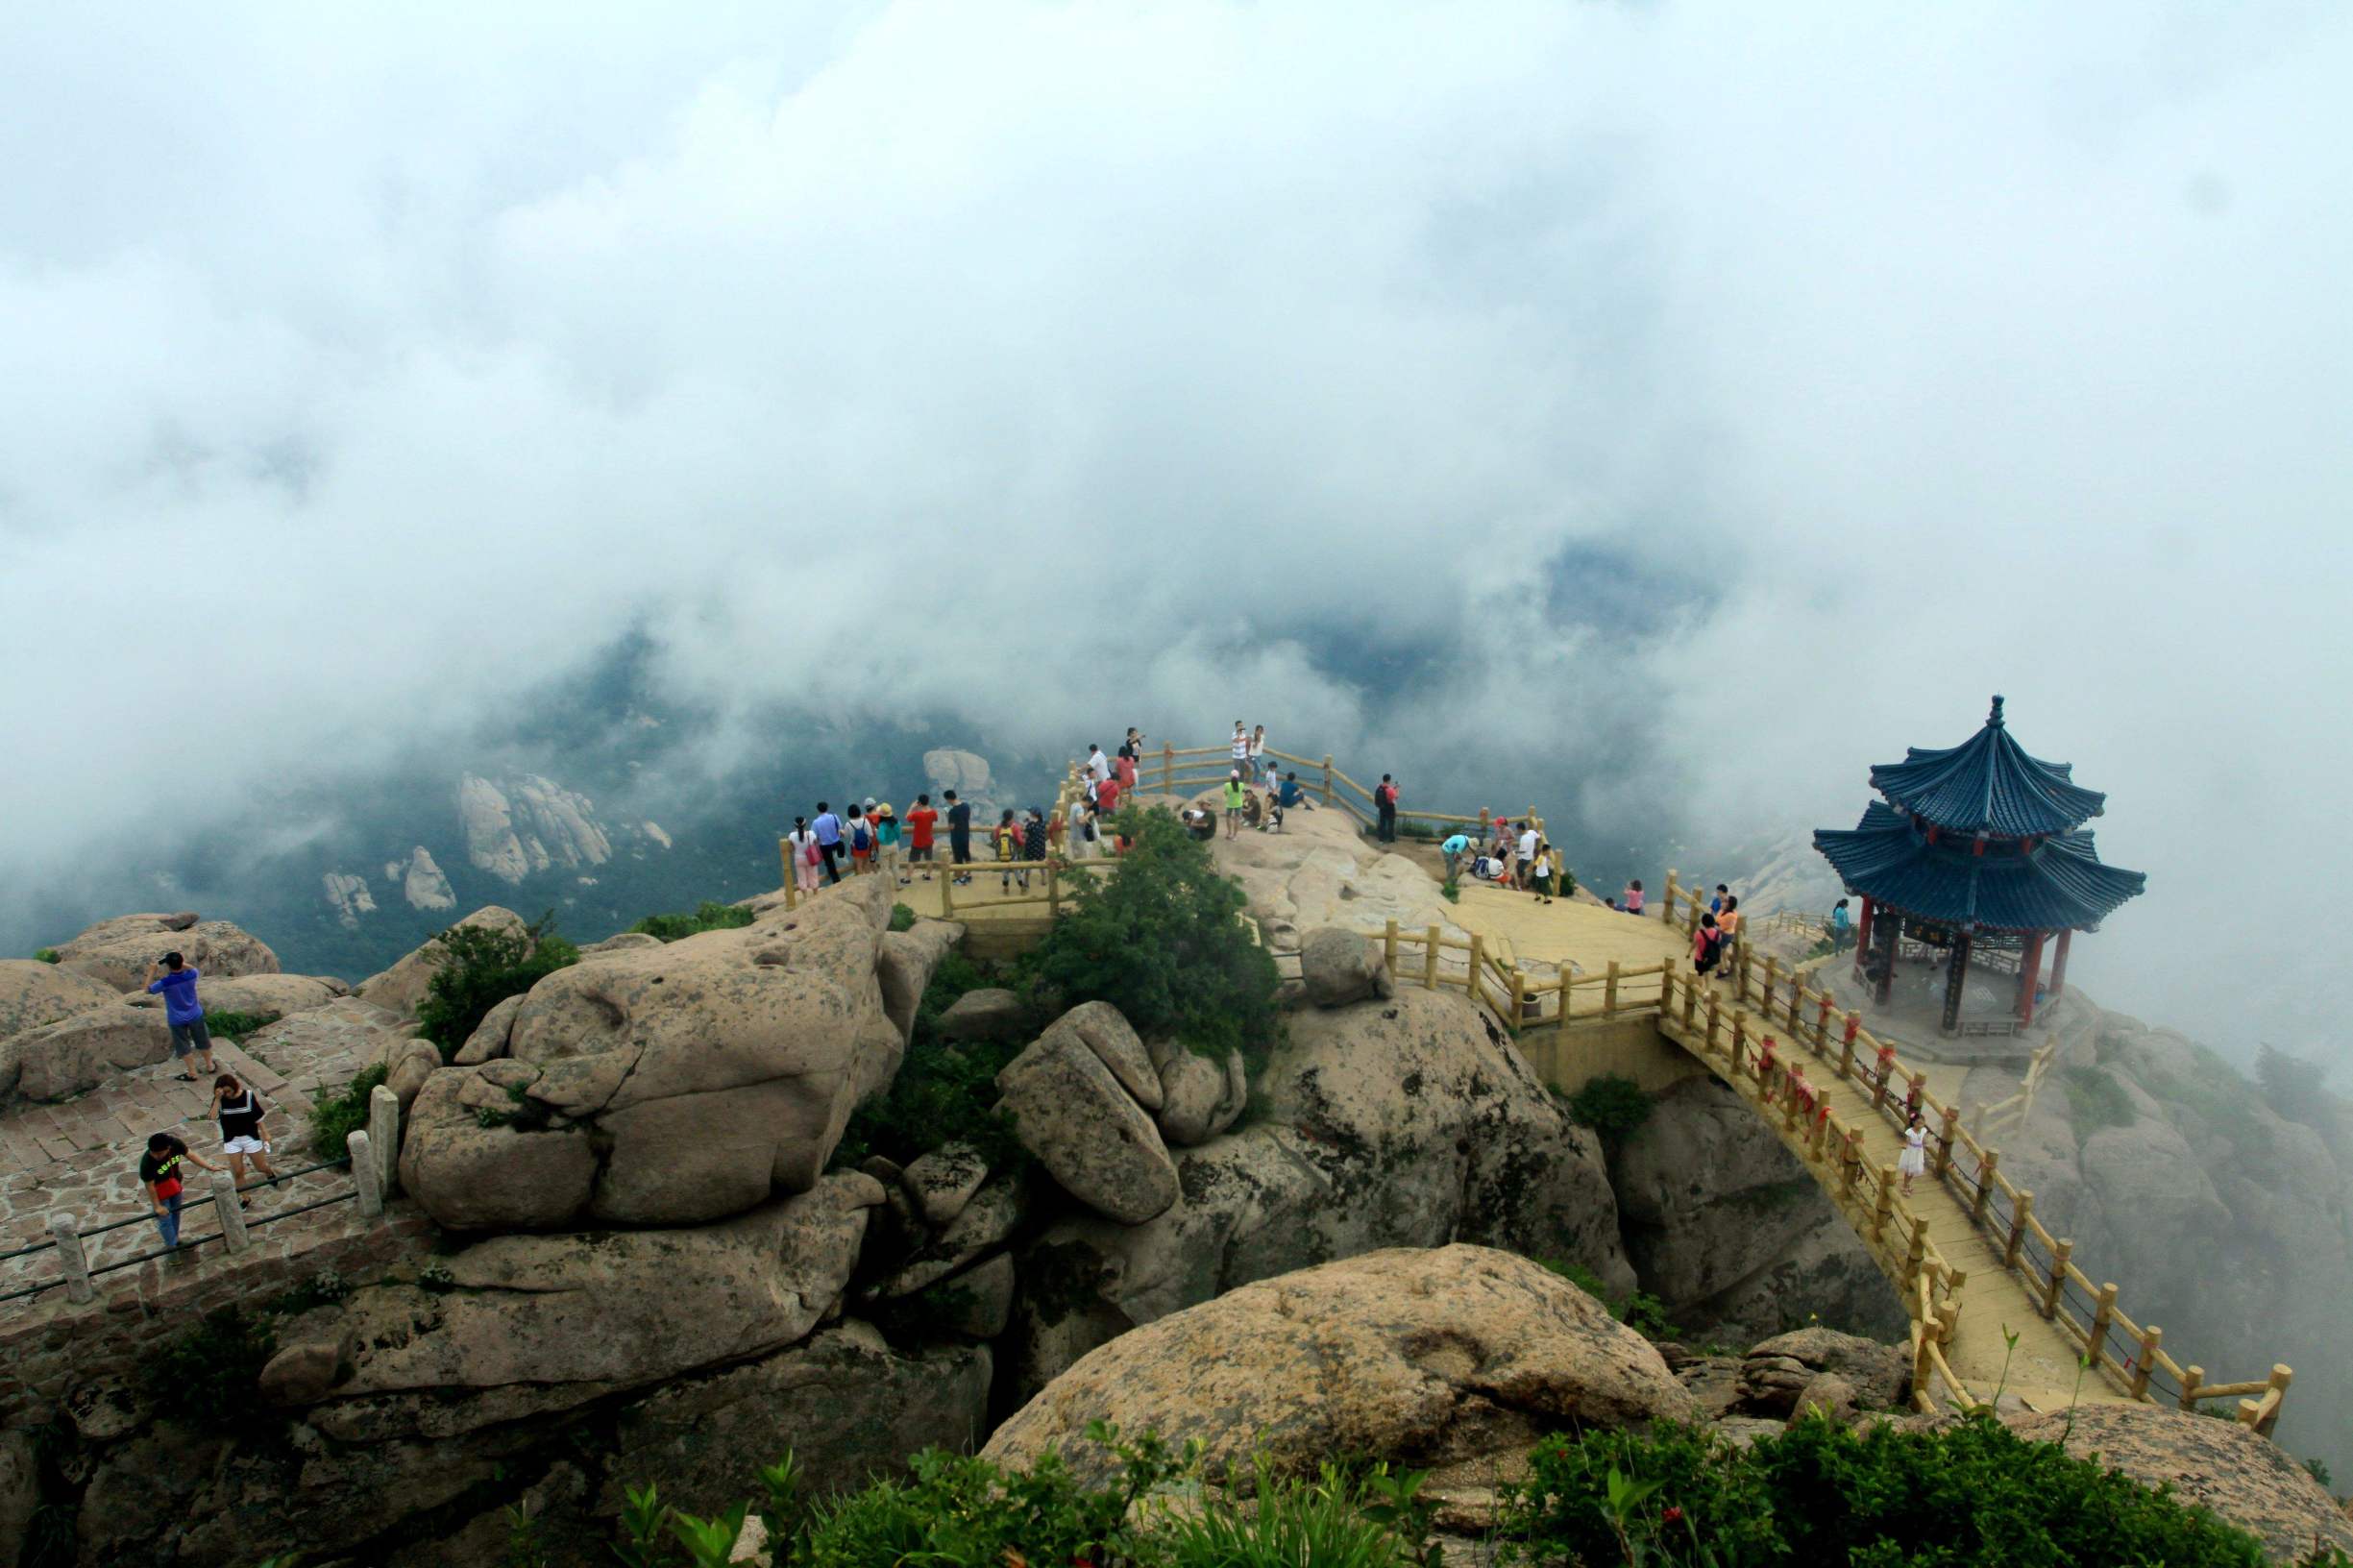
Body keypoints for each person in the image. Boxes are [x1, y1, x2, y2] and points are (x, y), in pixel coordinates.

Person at [138, 1131, 222, 1250]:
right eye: (153, 1153)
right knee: (165, 1219)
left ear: (168, 1148)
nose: (156, 1156)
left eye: (159, 1153)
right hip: (159, 1191)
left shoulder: (176, 1144)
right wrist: (157, 1206)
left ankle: (175, 1240)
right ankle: (172, 1249)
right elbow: (150, 1186)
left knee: (175, 1213)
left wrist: (210, 1167)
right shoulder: (147, 1162)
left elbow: (191, 1155)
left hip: (174, 1184)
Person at [145, 952, 217, 1082]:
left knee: (183, 1046)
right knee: (203, 1040)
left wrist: (152, 971)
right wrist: (179, 961)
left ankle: (192, 1072)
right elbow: (191, 968)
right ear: (181, 963)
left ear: (168, 966)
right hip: (195, 1014)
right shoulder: (192, 975)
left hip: (177, 1019)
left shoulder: (166, 982)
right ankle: (210, 1065)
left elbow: (147, 990)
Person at [211, 1072, 281, 1196]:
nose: (227, 1094)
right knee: (238, 1171)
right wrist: (217, 1099)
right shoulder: (220, 1099)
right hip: (232, 1140)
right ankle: (245, 1197)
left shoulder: (248, 1096)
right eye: (224, 1092)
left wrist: (265, 1133)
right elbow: (212, 1117)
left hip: (250, 1137)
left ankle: (269, 1173)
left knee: (261, 1167)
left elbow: (257, 1116)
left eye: (228, 1091)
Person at [811, 802, 847, 884]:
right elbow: (840, 828)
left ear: (818, 810)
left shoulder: (815, 822)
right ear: (827, 808)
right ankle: (840, 853)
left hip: (825, 846)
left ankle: (836, 881)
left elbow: (814, 836)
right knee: (841, 844)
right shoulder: (834, 817)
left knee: (830, 864)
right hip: (836, 842)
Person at [905, 795, 940, 881]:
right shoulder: (933, 812)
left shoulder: (917, 814)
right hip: (928, 840)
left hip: (917, 841)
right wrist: (927, 806)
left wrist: (912, 807)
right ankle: (928, 876)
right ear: (928, 802)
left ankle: (907, 879)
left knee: (912, 861)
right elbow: (935, 818)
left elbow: (907, 817)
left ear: (919, 803)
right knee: (929, 859)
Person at [787, 816, 821, 895]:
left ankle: (805, 897)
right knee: (813, 876)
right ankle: (815, 894)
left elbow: (791, 848)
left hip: (798, 858)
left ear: (795, 825)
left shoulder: (791, 835)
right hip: (810, 858)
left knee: (801, 878)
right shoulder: (811, 833)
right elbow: (816, 844)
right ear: (805, 824)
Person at [944, 791, 973, 884]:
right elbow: (967, 818)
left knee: (958, 857)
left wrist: (948, 817)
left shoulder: (952, 811)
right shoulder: (966, 806)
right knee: (967, 855)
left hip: (956, 837)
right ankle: (969, 874)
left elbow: (951, 827)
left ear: (948, 799)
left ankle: (960, 879)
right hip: (965, 834)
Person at [1899, 1109, 1928, 1195]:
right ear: (1913, 1123)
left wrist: (1925, 1144)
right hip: (1911, 1152)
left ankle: (1907, 1184)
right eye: (1918, 1123)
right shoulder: (1910, 1132)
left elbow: (1923, 1139)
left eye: (1922, 1123)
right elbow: (1907, 1141)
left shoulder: (1923, 1130)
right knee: (1909, 1170)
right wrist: (1904, 1145)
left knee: (1914, 1170)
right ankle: (1904, 1185)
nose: (1920, 1125)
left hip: (1918, 1152)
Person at [993, 809, 1023, 893]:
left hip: (1002, 854)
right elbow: (1020, 841)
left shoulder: (999, 827)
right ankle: (1021, 887)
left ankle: (1006, 888)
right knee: (1016, 870)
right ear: (1012, 817)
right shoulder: (1015, 827)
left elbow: (995, 838)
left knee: (1005, 871)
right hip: (1013, 854)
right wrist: (1022, 843)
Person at [874, 803, 904, 885]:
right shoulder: (896, 822)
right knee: (895, 866)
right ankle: (899, 885)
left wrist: (877, 832)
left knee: (884, 868)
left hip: (885, 847)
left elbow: (881, 839)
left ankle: (885, 888)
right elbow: (898, 835)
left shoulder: (882, 825)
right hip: (894, 845)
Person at [1692, 911, 1725, 977]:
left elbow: (1694, 944)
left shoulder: (1699, 933)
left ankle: (1699, 986)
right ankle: (1707, 986)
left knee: (1699, 975)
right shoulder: (1718, 934)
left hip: (1700, 957)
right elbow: (1718, 942)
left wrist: (1688, 953)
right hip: (1710, 957)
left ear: (1703, 922)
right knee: (1706, 972)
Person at [846, 804, 875, 875]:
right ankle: (868, 879)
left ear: (849, 813)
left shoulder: (848, 824)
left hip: (855, 847)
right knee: (866, 864)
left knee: (859, 866)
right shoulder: (865, 821)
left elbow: (846, 835)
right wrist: (873, 846)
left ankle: (861, 880)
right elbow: (871, 834)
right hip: (866, 846)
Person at [1718, 895, 1744, 975]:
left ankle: (1723, 971)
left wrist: (1721, 910)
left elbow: (1718, 920)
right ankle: (1726, 966)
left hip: (1725, 935)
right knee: (1724, 951)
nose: (1723, 902)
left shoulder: (1729, 915)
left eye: (1726, 901)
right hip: (1730, 934)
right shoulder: (1734, 912)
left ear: (1729, 904)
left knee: (1717, 952)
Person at [1223, 769, 1248, 839]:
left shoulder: (1227, 785)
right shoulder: (1241, 785)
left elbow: (1226, 794)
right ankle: (1235, 836)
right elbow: (1242, 791)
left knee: (1228, 817)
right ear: (1238, 777)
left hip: (1229, 804)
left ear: (1230, 777)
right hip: (1238, 804)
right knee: (1236, 819)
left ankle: (1229, 833)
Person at [1516, 823, 1541, 892]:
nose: (1517, 831)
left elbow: (1522, 851)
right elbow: (1538, 836)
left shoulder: (1523, 838)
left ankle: (1521, 886)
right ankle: (1524, 885)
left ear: (1520, 829)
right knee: (1523, 872)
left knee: (1519, 872)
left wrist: (1515, 853)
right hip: (1530, 857)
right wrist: (1540, 832)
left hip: (1523, 858)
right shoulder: (1532, 832)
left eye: (1518, 830)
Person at [1066, 793, 1092, 859]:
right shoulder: (1080, 809)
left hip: (1072, 835)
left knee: (1076, 856)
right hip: (1079, 837)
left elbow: (1075, 818)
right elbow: (1080, 821)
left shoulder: (1074, 805)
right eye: (1089, 804)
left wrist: (1084, 818)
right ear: (1087, 802)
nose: (1088, 806)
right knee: (1082, 858)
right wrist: (1089, 814)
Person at [1374, 774, 1399, 842]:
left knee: (1382, 823)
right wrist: (1397, 789)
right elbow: (1396, 797)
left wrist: (1393, 789)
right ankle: (1391, 839)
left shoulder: (1379, 787)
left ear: (1383, 779)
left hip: (1382, 807)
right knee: (1391, 824)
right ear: (1389, 780)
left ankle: (1381, 839)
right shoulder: (1390, 789)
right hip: (1390, 808)